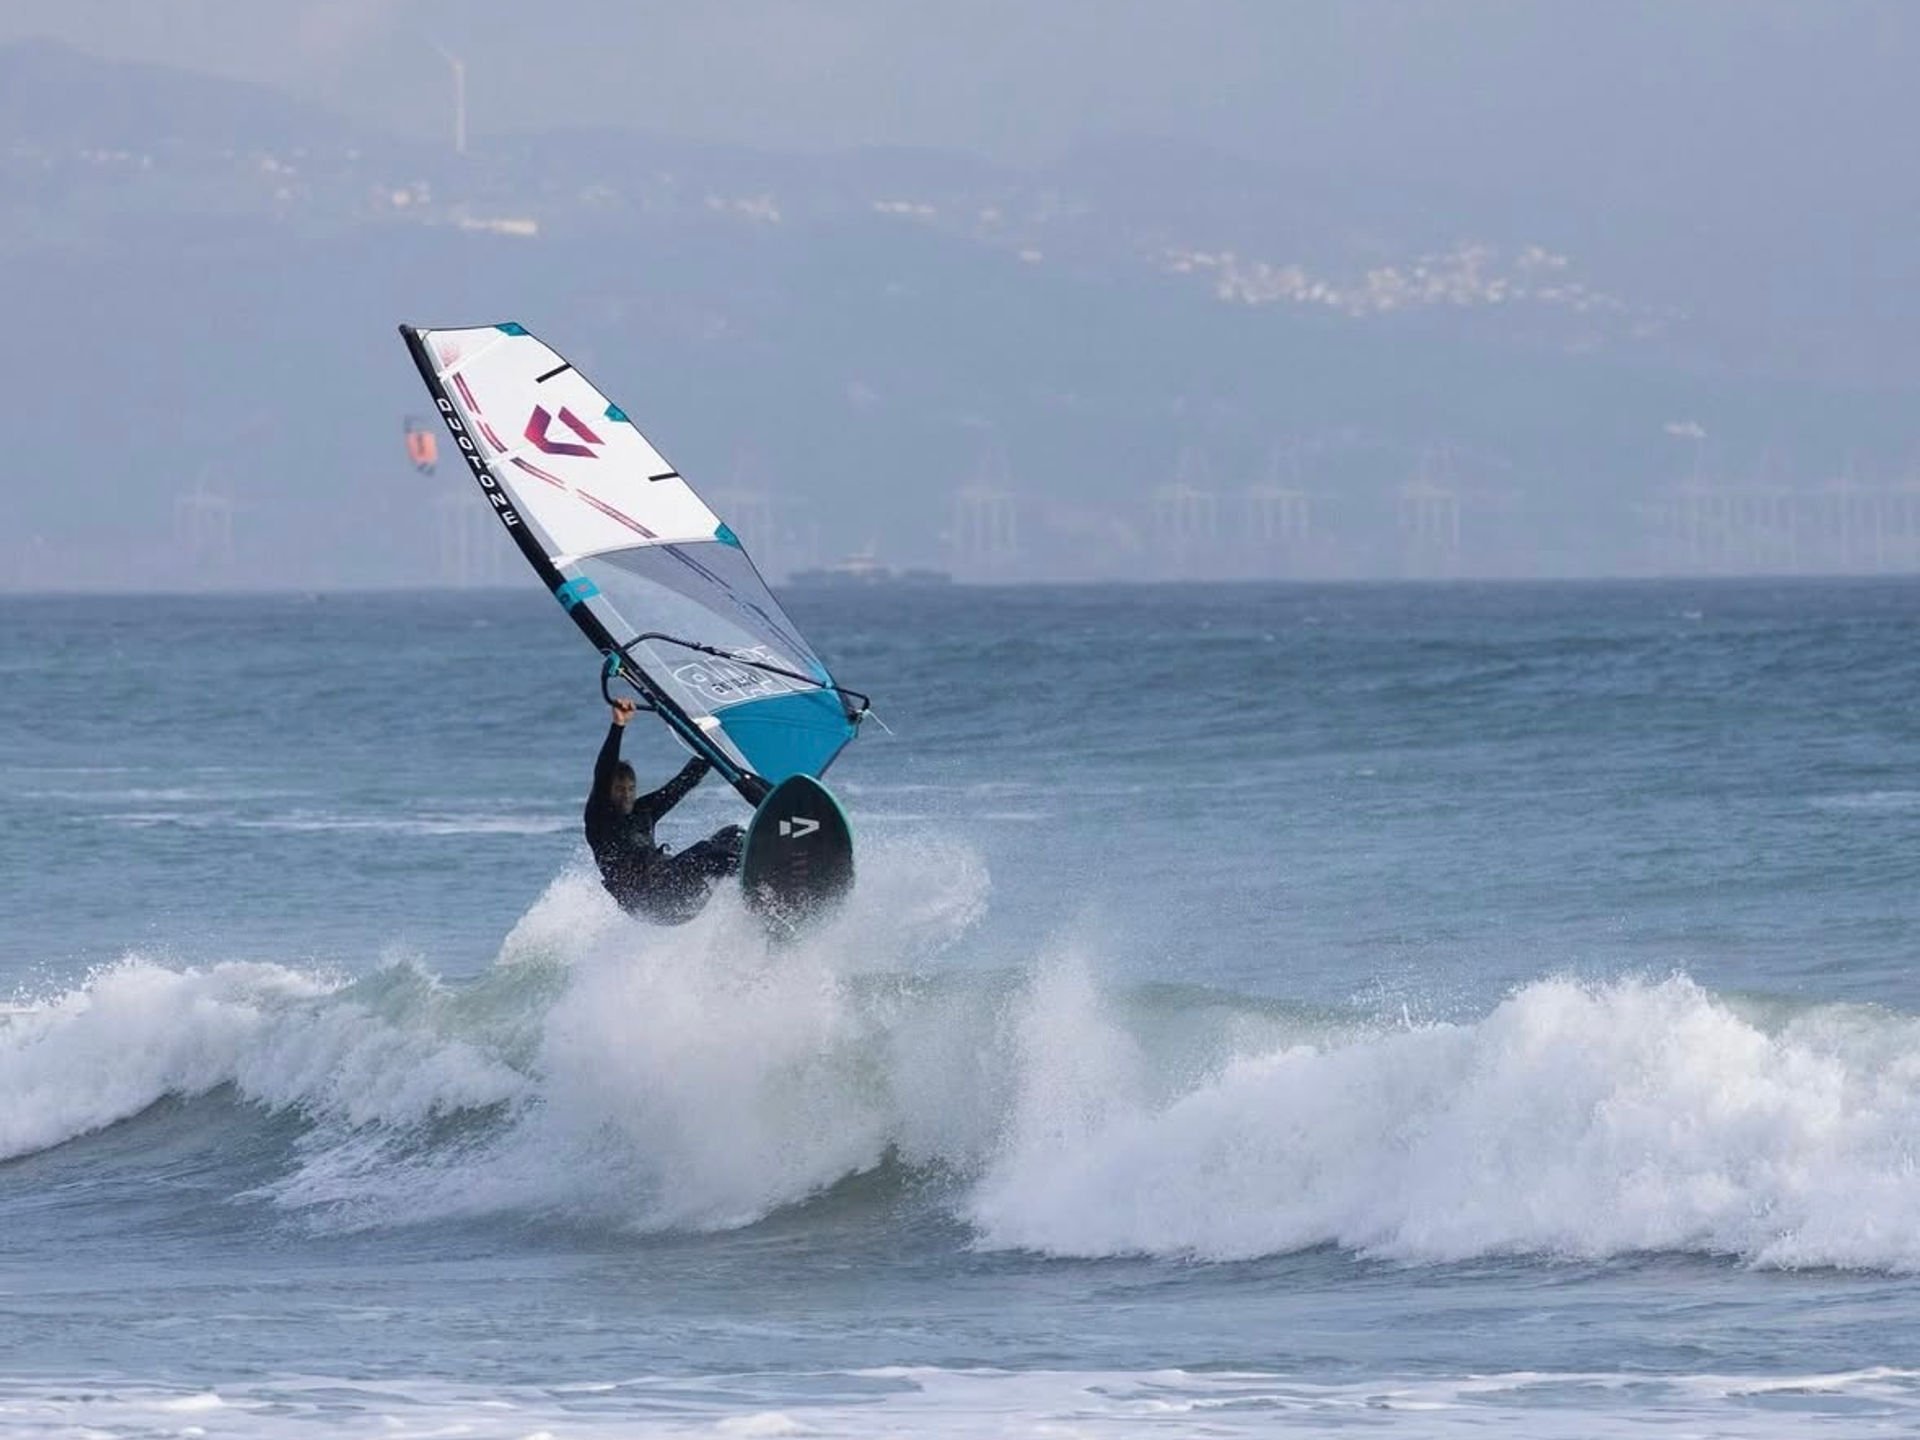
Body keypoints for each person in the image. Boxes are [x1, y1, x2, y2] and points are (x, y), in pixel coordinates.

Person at [584, 697, 745, 922]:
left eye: (630, 788)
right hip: (651, 902)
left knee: (734, 835)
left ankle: (763, 891)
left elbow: (684, 782)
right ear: (606, 792)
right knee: (708, 852)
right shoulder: (599, 819)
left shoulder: (643, 811)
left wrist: (713, 743)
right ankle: (767, 879)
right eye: (619, 788)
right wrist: (618, 726)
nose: (627, 793)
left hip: (678, 895)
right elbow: (604, 770)